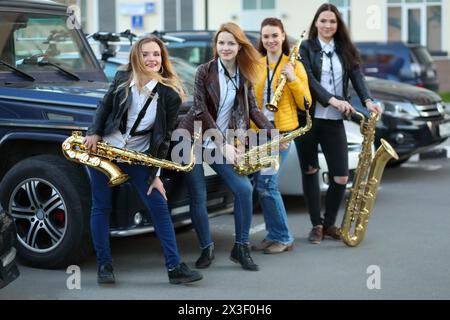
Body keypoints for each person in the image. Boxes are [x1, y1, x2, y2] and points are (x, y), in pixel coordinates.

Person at [84, 36, 202, 284]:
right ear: (136, 57)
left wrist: (156, 175)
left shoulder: (169, 94)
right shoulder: (121, 79)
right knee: (101, 206)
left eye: (156, 54)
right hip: (105, 151)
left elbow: (164, 139)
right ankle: (104, 266)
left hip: (137, 156)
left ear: (162, 59)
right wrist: (93, 132)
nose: (151, 59)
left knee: (159, 206)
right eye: (145, 54)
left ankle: (174, 268)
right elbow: (103, 107)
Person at [178, 22, 274, 271]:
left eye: (231, 43)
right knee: (198, 195)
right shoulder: (204, 71)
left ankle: (240, 248)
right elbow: (199, 110)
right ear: (216, 46)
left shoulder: (244, 74)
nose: (225, 47)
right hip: (193, 139)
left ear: (240, 46)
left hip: (221, 143)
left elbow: (252, 108)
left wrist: (272, 134)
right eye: (221, 43)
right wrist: (224, 144)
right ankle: (206, 248)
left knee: (243, 189)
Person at [297, 3, 382, 244]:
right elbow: (309, 81)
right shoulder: (305, 48)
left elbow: (356, 75)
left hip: (334, 121)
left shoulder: (345, 49)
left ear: (338, 25)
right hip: (309, 119)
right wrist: (332, 100)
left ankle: (330, 223)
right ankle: (316, 225)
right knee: (310, 170)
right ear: (316, 23)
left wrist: (368, 100)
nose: (327, 25)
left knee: (341, 177)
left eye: (332, 22)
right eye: (323, 21)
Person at [251, 18, 312, 254]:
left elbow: (306, 103)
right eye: (266, 36)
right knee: (262, 185)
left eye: (275, 36)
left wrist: (294, 79)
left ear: (283, 36)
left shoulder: (294, 65)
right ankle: (274, 233)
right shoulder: (257, 65)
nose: (270, 41)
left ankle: (284, 237)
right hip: (259, 133)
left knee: (267, 183)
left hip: (282, 134)